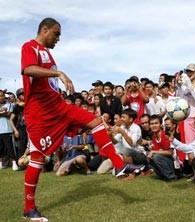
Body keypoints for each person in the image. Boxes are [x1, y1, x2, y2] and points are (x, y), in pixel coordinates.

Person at [21, 18, 143, 221]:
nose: (58, 38)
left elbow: (47, 83)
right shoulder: (29, 47)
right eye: (56, 33)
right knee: (37, 159)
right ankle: (29, 208)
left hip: (59, 107)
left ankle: (119, 165)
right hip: (40, 113)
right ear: (44, 29)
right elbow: (27, 69)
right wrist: (58, 73)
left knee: (95, 122)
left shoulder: (49, 53)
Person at [148, 115, 177, 182]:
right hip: (167, 161)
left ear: (161, 125)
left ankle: (172, 177)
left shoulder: (166, 135)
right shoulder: (154, 137)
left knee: (156, 156)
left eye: (156, 123)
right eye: (152, 124)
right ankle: (163, 176)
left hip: (175, 164)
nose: (154, 125)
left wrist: (153, 151)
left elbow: (170, 152)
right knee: (151, 157)